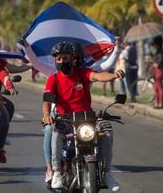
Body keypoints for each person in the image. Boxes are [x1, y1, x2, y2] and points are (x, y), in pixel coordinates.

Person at [42, 41, 125, 191]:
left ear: (72, 59)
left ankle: (106, 173)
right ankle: (56, 173)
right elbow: (47, 101)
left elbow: (99, 76)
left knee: (106, 129)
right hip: (66, 120)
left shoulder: (83, 73)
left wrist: (114, 75)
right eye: (58, 59)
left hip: (87, 119)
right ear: (55, 61)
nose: (62, 61)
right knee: (54, 132)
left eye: (65, 58)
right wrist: (47, 115)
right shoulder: (53, 79)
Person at [149, 36, 163, 109]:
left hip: (159, 70)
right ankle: (157, 103)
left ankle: (160, 104)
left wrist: (156, 63)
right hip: (156, 71)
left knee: (159, 87)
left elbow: (159, 62)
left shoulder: (160, 51)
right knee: (156, 88)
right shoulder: (157, 51)